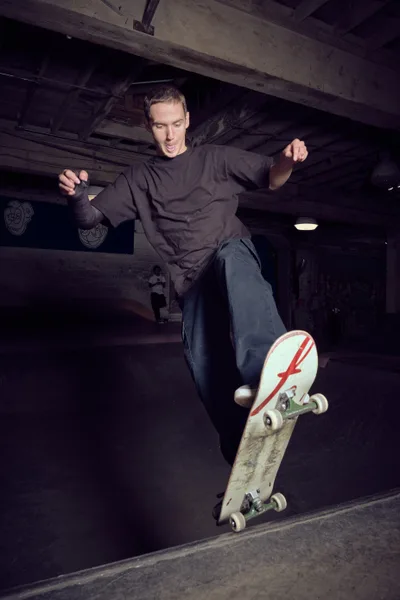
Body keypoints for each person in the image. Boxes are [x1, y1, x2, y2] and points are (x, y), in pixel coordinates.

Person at [58, 86, 308, 467]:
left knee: (235, 266)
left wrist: (287, 160)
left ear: (188, 120)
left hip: (229, 250)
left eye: (177, 124)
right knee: (202, 359)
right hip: (191, 281)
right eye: (161, 126)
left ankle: (267, 372)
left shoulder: (214, 159)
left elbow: (271, 177)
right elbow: (90, 219)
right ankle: (239, 444)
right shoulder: (139, 178)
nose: (171, 136)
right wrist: (77, 197)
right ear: (148, 126)